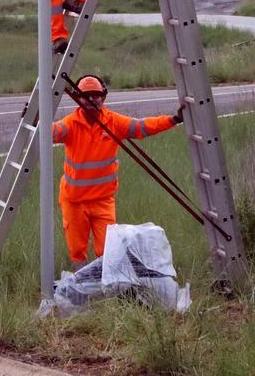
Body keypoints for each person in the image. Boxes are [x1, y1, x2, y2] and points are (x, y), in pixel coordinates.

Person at [51, 74, 183, 269]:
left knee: (108, 250)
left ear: (103, 97)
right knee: (77, 252)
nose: (92, 99)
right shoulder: (71, 124)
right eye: (87, 95)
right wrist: (38, 122)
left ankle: (107, 287)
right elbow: (52, 132)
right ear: (78, 98)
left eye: (96, 95)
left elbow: (141, 127)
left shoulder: (113, 121)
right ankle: (81, 287)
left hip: (103, 200)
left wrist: (173, 119)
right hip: (74, 201)